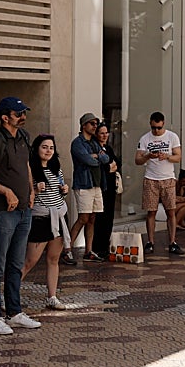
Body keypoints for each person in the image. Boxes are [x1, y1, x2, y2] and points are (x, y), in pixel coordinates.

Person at [0, 96, 41, 336]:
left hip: (24, 210)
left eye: (24, 112)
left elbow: (26, 166)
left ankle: (14, 312)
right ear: (5, 117)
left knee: (16, 264)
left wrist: (31, 190)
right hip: (3, 211)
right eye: (18, 113)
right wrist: (5, 191)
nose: (23, 116)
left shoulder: (24, 136)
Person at [24, 135, 70, 310]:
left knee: (54, 259)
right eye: (44, 147)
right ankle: (7, 295)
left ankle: (52, 296)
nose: (48, 151)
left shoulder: (56, 168)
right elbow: (25, 195)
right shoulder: (30, 169)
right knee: (30, 261)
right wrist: (35, 190)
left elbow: (59, 190)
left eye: (51, 147)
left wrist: (64, 189)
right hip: (41, 218)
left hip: (59, 216)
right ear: (37, 149)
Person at [135, 112, 183, 255]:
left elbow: (178, 157)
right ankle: (150, 242)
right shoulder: (145, 138)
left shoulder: (172, 137)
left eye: (159, 128)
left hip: (168, 178)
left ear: (163, 124)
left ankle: (172, 242)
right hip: (151, 179)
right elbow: (137, 160)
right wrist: (148, 156)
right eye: (154, 128)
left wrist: (167, 156)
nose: (156, 131)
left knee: (171, 211)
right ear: (150, 124)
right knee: (151, 211)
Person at [69, 112, 110, 264]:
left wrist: (97, 156)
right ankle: (67, 249)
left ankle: (89, 251)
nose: (95, 126)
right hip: (84, 184)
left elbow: (106, 158)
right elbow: (88, 160)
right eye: (92, 124)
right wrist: (97, 157)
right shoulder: (78, 143)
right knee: (83, 218)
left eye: (96, 124)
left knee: (92, 218)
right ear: (84, 125)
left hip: (96, 184)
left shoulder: (94, 142)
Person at [89, 122, 121, 260]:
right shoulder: (94, 148)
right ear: (96, 134)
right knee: (99, 218)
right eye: (101, 133)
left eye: (106, 133)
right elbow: (104, 167)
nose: (104, 135)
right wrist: (109, 166)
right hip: (101, 187)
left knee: (109, 217)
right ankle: (97, 247)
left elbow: (116, 164)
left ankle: (105, 246)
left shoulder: (108, 148)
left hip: (111, 187)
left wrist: (110, 166)